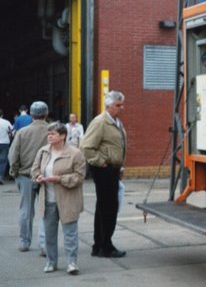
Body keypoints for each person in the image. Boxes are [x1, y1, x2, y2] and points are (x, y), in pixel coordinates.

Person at [33, 122, 86, 274]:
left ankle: (72, 263)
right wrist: (38, 177)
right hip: (48, 200)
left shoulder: (75, 153)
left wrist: (59, 179)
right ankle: (51, 262)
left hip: (68, 200)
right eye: (48, 133)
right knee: (49, 233)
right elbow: (34, 169)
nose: (49, 135)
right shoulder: (43, 151)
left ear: (62, 136)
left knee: (70, 233)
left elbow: (79, 176)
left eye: (53, 133)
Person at [81, 91, 127, 258]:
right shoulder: (101, 122)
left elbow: (118, 146)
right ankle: (105, 246)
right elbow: (86, 146)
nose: (121, 108)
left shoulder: (116, 122)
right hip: (104, 170)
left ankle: (100, 244)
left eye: (122, 105)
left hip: (113, 169)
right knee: (108, 208)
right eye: (118, 105)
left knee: (105, 208)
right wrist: (101, 162)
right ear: (108, 106)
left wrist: (119, 167)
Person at [9, 101, 50, 252]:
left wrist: (14, 172)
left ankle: (24, 241)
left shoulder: (22, 132)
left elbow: (13, 155)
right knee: (46, 210)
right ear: (46, 114)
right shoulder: (53, 131)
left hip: (25, 175)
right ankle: (45, 244)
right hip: (46, 176)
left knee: (26, 210)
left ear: (31, 115)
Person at [0, 109, 12, 184]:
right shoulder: (6, 122)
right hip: (4, 143)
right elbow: (12, 132)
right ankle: (0, 176)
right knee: (3, 160)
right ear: (2, 115)